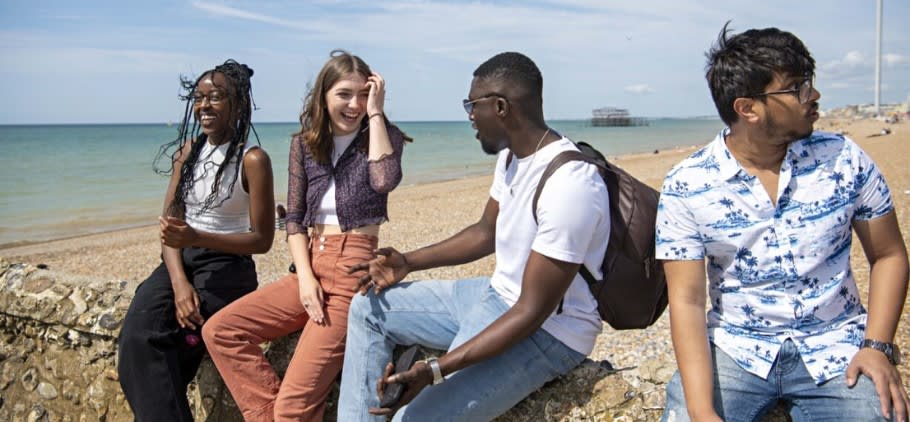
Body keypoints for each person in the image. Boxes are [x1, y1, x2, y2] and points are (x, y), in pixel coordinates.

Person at [337, 51, 611, 421]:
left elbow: (531, 312)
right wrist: (407, 261)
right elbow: (486, 232)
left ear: (500, 107)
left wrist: (436, 369)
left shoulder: (570, 185)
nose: (468, 116)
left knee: (411, 419)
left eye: (472, 104)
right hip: (494, 294)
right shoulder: (513, 156)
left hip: (547, 333)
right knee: (368, 307)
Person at [656, 24, 909, 422]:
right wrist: (702, 412)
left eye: (808, 82)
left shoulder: (844, 159)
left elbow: (889, 254)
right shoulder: (687, 184)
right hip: (736, 350)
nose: (813, 96)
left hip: (835, 345)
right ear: (748, 109)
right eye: (796, 87)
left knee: (883, 414)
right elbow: (686, 300)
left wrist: (877, 347)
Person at [202, 50, 411, 421]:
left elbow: (384, 180)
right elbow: (295, 218)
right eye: (344, 94)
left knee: (294, 408)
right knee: (221, 331)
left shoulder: (382, 136)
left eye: (363, 94)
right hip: (310, 263)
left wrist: (377, 115)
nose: (355, 104)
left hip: (353, 272)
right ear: (324, 95)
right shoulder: (304, 144)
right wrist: (305, 279)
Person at [117, 59, 275, 421]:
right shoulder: (186, 153)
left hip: (227, 266)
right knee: (136, 339)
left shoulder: (252, 159)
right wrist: (178, 284)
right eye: (198, 97)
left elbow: (262, 240)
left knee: (182, 347)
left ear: (237, 104)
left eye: (215, 97)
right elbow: (170, 229)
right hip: (179, 259)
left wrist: (198, 236)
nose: (204, 106)